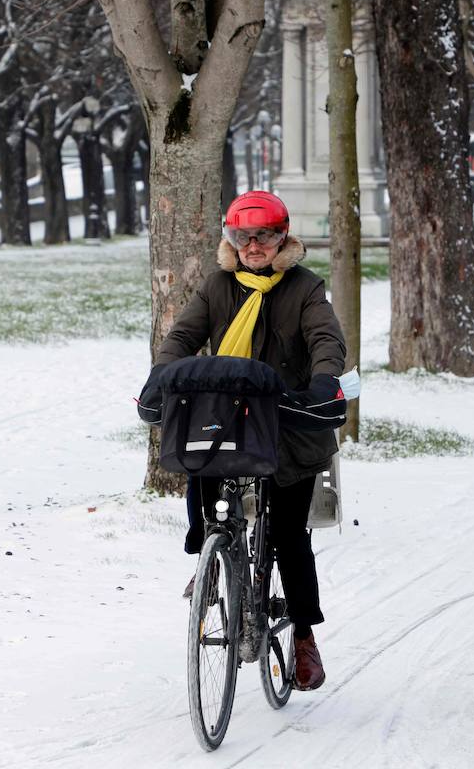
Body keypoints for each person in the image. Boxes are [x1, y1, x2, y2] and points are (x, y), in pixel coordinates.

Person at [147, 191, 346, 692]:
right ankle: (209, 558)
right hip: (230, 418)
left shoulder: (305, 289)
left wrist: (324, 383)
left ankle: (303, 636)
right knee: (201, 465)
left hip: (287, 422)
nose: (253, 245)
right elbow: (182, 338)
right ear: (230, 240)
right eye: (243, 236)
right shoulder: (216, 286)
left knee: (287, 536)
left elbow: (327, 341)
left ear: (282, 237)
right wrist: (162, 376)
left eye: (264, 236)